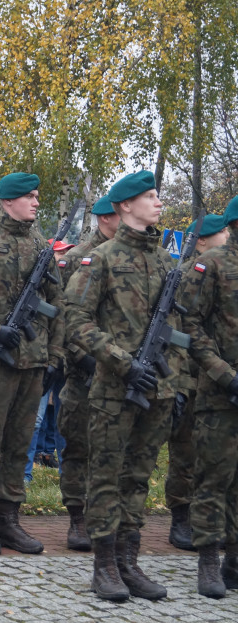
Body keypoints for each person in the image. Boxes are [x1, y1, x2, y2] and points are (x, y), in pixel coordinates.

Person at [63, 170, 180, 601]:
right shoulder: (104, 258)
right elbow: (75, 320)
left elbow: (179, 330)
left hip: (158, 389)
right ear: (125, 206)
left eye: (157, 196)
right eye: (150, 196)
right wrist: (121, 362)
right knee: (108, 477)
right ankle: (104, 564)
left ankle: (130, 562)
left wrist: (176, 383)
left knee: (138, 478)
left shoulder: (168, 262)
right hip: (115, 389)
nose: (158, 202)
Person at [0, 172, 64, 557]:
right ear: (7, 201)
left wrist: (54, 356)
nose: (37, 202)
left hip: (32, 362)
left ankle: (9, 519)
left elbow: (58, 304)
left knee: (20, 445)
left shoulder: (41, 244)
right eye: (30, 197)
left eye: (37, 196)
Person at [178, 197, 238, 598]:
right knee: (214, 479)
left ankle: (234, 560)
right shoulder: (213, 265)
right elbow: (190, 325)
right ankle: (208, 560)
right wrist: (224, 375)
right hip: (221, 392)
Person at [53, 194, 119, 551]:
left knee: (112, 451)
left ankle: (105, 518)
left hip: (122, 371)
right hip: (85, 372)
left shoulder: (133, 256)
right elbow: (66, 318)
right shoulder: (80, 258)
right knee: (79, 446)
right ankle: (77, 519)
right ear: (106, 218)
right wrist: (86, 358)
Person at [166, 214, 230, 552]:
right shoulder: (190, 273)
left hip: (215, 374)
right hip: (190, 375)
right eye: (218, 232)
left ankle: (212, 522)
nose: (225, 236)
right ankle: (180, 516)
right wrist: (178, 381)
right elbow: (181, 328)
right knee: (186, 451)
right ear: (201, 240)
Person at [23, 239, 75, 482]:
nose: (64, 256)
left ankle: (67, 474)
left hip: (65, 357)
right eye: (61, 252)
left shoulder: (71, 279)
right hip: (43, 355)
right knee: (36, 418)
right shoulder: (38, 275)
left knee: (63, 420)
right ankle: (24, 474)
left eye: (67, 252)